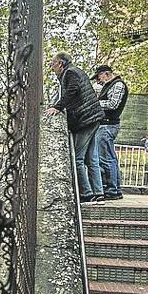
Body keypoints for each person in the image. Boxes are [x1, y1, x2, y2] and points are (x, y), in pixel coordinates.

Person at [45, 52, 105, 203]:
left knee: (78, 158)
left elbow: (72, 91)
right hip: (93, 117)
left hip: (86, 119)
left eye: (52, 64)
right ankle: (98, 193)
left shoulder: (70, 72)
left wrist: (57, 107)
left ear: (60, 63)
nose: (51, 68)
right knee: (92, 158)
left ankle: (86, 193)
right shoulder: (74, 71)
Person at [91, 64, 129, 201]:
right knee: (110, 158)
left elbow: (113, 104)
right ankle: (115, 189)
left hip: (107, 125)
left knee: (106, 159)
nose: (98, 80)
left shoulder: (118, 85)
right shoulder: (111, 85)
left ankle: (111, 189)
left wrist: (95, 102)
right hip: (106, 126)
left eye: (99, 77)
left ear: (106, 74)